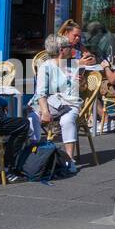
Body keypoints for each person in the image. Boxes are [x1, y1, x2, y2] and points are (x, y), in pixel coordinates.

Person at [34, 35, 85, 174]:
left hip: (70, 103)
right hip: (50, 104)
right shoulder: (46, 67)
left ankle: (69, 159)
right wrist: (45, 112)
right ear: (62, 50)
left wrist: (81, 82)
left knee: (67, 120)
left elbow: (80, 91)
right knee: (31, 119)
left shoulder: (73, 64)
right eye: (70, 46)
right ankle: (33, 157)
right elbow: (41, 93)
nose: (72, 49)